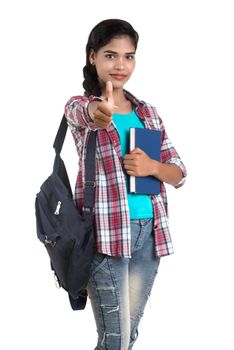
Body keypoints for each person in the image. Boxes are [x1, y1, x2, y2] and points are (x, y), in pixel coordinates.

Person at [65, 18, 186, 350]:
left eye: (128, 56)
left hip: (149, 234)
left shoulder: (147, 113)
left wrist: (153, 167)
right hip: (105, 237)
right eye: (110, 55)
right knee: (115, 339)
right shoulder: (81, 106)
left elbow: (179, 172)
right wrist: (98, 110)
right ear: (93, 57)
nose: (121, 65)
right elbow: (82, 112)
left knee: (127, 334)